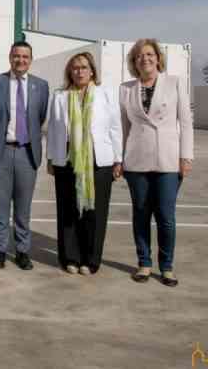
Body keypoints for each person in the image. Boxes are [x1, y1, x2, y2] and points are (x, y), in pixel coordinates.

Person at [119, 38, 193, 287]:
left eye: (150, 54)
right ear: (134, 61)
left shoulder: (174, 84)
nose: (145, 59)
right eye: (140, 56)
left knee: (166, 216)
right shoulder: (126, 88)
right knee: (140, 213)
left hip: (168, 161)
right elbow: (123, 127)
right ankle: (144, 263)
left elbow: (186, 122)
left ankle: (167, 266)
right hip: (136, 160)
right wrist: (120, 159)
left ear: (158, 58)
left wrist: (186, 156)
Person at [46, 52, 122, 275]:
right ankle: (70, 257)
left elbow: (116, 128)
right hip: (67, 160)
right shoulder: (59, 96)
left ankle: (90, 260)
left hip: (99, 161)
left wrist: (118, 158)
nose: (79, 71)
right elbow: (52, 129)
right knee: (68, 210)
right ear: (70, 71)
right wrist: (51, 157)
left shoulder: (105, 94)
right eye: (75, 67)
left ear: (92, 71)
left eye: (84, 67)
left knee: (95, 213)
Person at [0, 41, 49, 270]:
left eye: (25, 56)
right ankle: (0, 250)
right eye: (16, 56)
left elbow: (39, 117)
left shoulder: (41, 86)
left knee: (23, 207)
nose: (20, 60)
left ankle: (22, 251)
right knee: (1, 206)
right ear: (9, 57)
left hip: (26, 152)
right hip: (1, 151)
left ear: (30, 60)